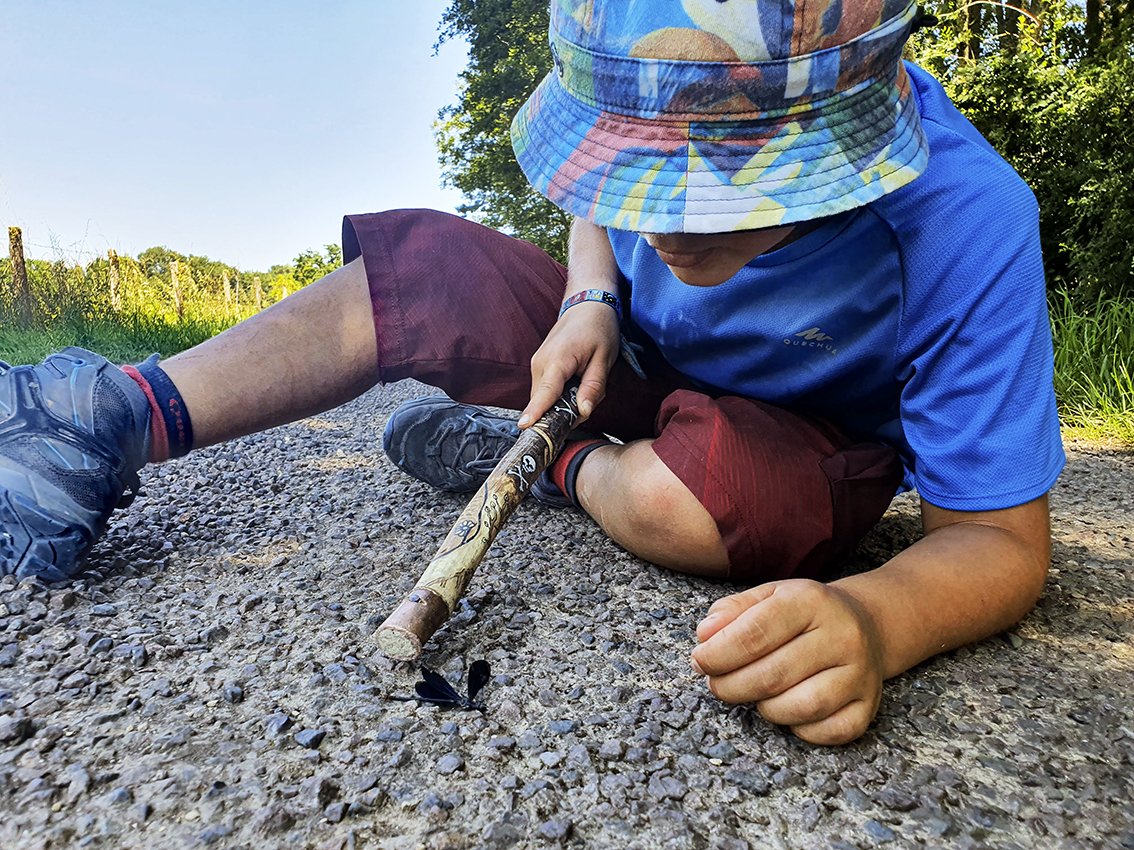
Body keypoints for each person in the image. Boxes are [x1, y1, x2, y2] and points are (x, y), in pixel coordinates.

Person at [0, 0, 1064, 745]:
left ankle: (541, 459)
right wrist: (589, 294)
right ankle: (110, 412)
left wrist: (878, 622)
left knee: (734, 503)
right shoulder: (627, 178)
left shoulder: (965, 223)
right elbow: (595, 195)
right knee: (431, 260)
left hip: (786, 438)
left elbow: (998, 542)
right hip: (623, 354)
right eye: (640, 161)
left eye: (731, 182)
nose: (670, 224)